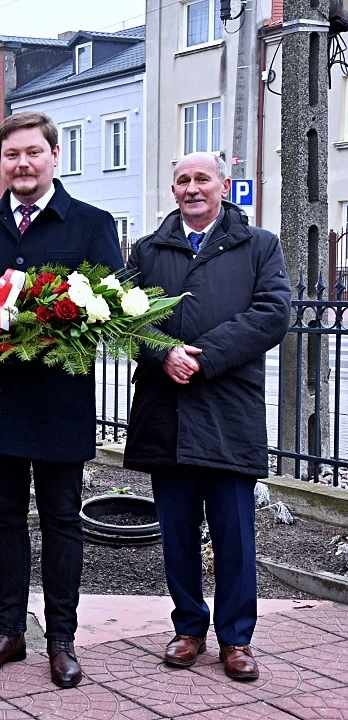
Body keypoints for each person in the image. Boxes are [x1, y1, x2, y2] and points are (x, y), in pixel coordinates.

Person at [0, 111, 124, 687]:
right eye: (11, 154)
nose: (22, 163)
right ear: (2, 162)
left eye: (32, 153)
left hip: (59, 401)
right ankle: (8, 632)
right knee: (5, 519)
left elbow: (113, 301)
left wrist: (47, 329)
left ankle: (61, 640)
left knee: (64, 521)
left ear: (54, 157)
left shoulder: (90, 225)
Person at [124, 153, 291, 681]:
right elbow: (124, 317)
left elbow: (272, 313)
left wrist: (200, 356)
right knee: (176, 532)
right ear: (172, 189)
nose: (193, 188)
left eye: (202, 179)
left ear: (224, 183)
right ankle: (189, 628)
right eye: (182, 180)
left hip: (228, 412)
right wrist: (162, 353)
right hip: (165, 412)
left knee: (235, 534)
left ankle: (237, 640)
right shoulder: (148, 251)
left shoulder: (258, 245)